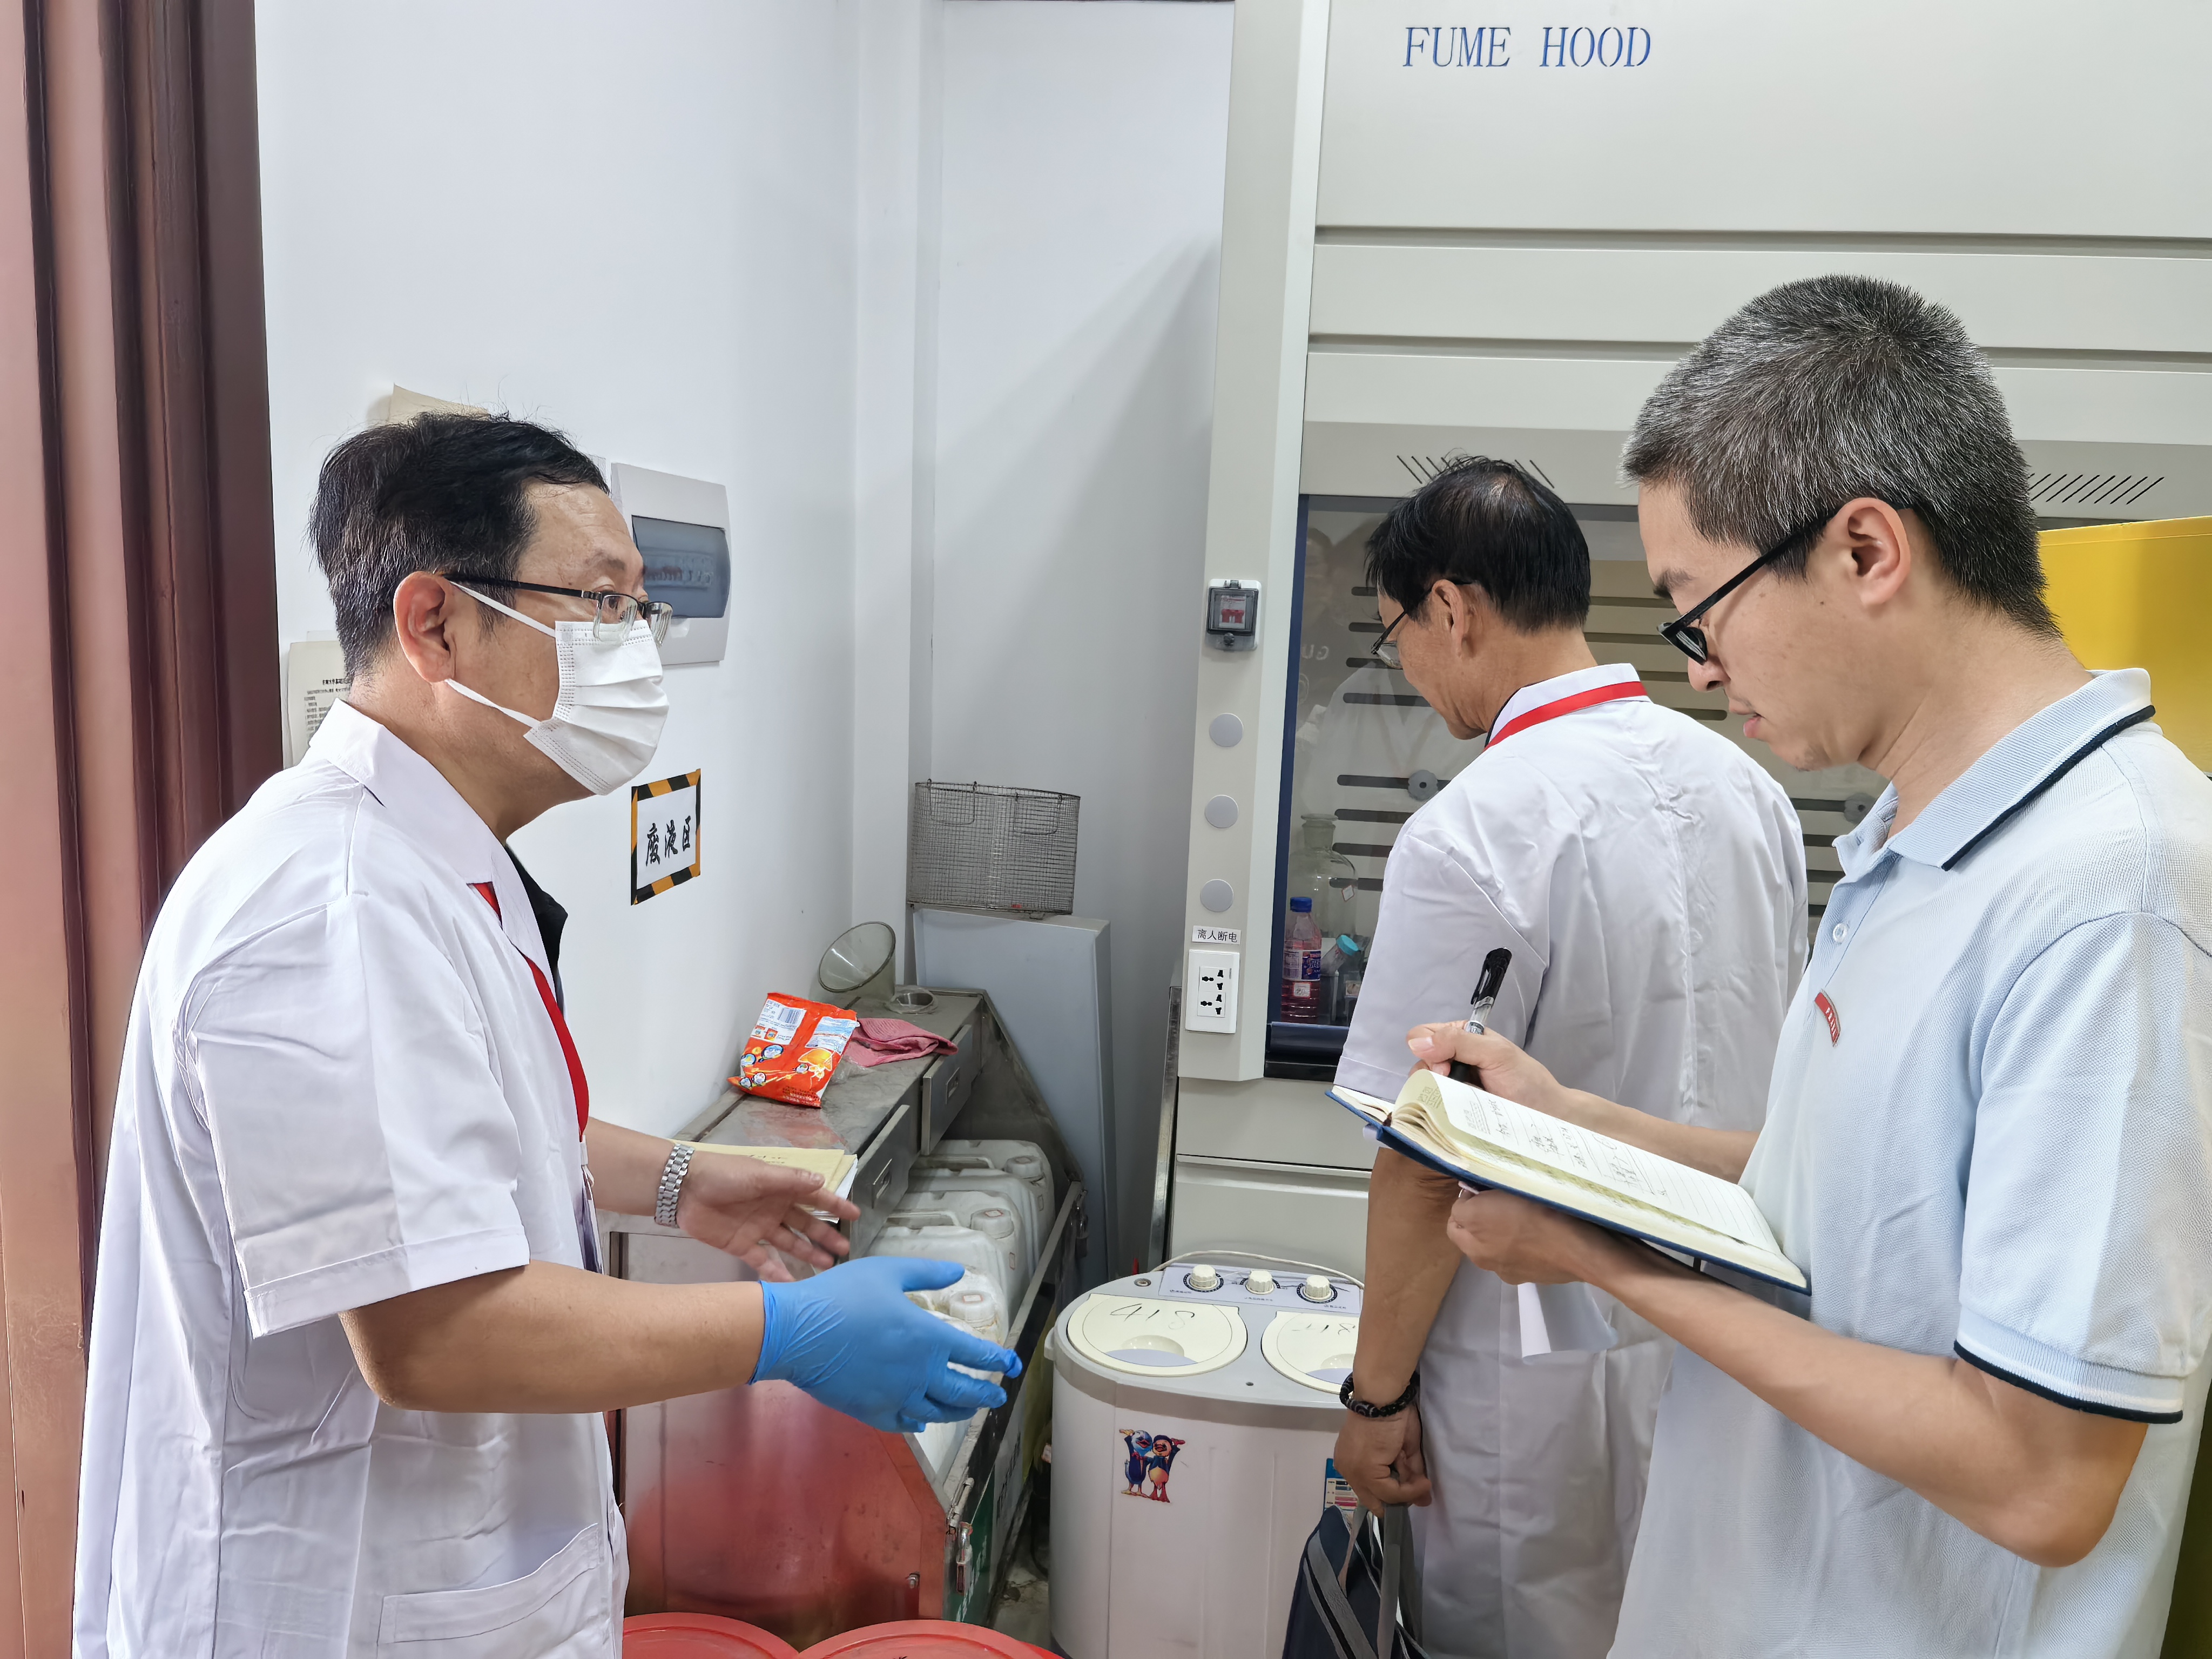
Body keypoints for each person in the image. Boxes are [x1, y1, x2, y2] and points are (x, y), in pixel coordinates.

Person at [73, 414, 1015, 1658]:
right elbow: (438, 1330)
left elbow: (467, 1135)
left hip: (453, 1577)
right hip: (332, 1607)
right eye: (600, 602)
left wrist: (680, 1182)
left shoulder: (440, 863)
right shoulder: (331, 910)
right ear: (434, 624)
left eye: (641, 609)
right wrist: (786, 1336)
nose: (637, 648)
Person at [1429, 275, 2212, 1657]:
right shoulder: (1913, 842)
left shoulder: (2111, 890)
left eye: (1699, 608)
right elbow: (1864, 1199)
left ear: (1863, 551)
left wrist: (1602, 1261)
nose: (1697, 670)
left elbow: (2040, 1476)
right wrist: (1580, 1128)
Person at [1331, 458, 1806, 1657]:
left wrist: (1374, 1397)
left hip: (1526, 1379)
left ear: (1451, 608)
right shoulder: (1751, 795)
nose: (1406, 664)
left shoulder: (1472, 828)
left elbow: (1423, 1156)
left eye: (1397, 633)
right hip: (1723, 1348)